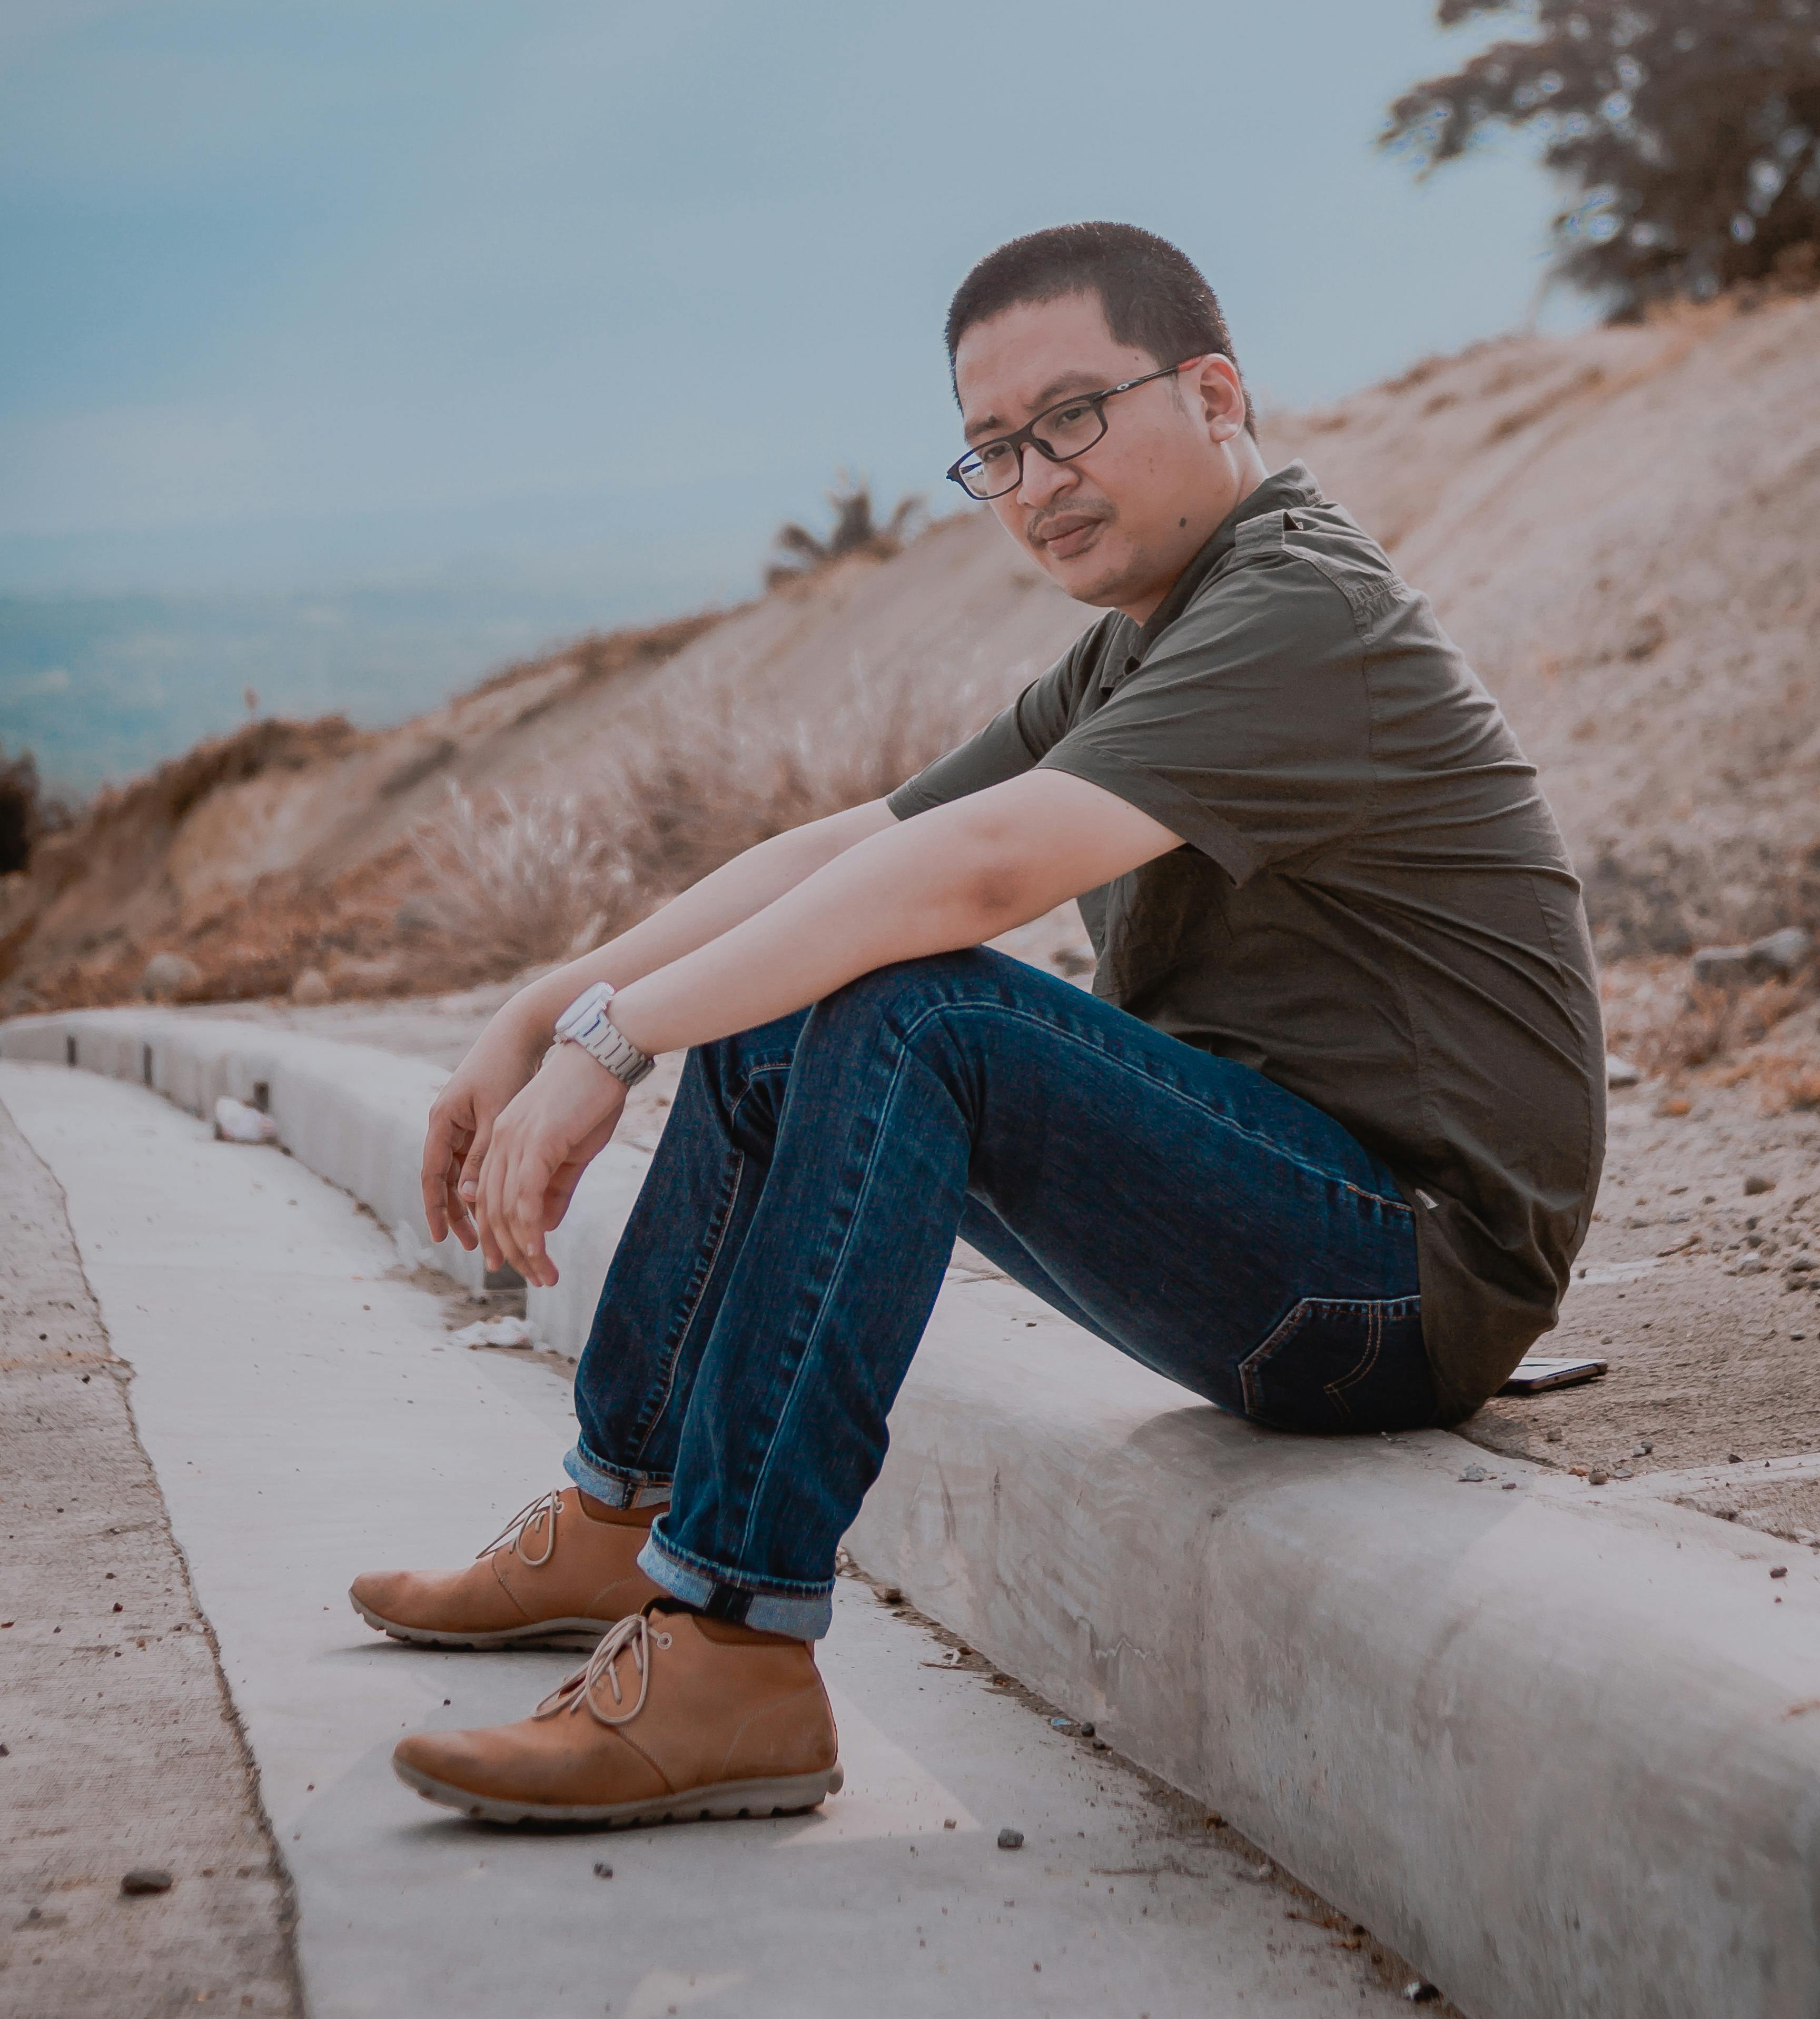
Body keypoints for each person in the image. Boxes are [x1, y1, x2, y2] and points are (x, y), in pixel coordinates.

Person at [363, 220, 1604, 1829]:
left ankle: (739, 1647)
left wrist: (619, 1046)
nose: (1035, 480)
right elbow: (850, 851)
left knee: (910, 1003)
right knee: (809, 968)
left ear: (1216, 391)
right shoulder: (1143, 635)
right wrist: (554, 1009)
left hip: (1404, 1279)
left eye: (1075, 416)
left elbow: (984, 870)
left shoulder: (1305, 613)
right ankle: (627, 1511)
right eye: (996, 448)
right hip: (1287, 1230)